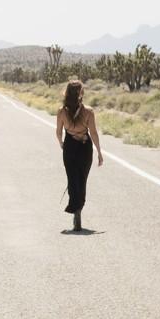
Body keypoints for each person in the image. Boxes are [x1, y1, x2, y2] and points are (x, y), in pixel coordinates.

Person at [55, 79, 102, 231]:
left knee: (72, 178)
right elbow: (93, 133)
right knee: (82, 178)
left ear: (67, 93)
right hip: (84, 148)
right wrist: (99, 152)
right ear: (81, 93)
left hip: (69, 146)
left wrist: (62, 144)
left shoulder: (61, 111)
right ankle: (79, 208)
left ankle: (74, 206)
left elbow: (58, 132)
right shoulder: (88, 112)